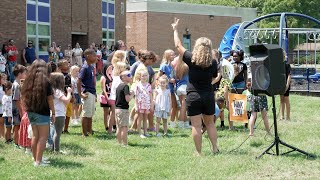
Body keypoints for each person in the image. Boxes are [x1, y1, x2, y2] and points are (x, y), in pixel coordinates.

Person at [172, 18, 218, 155]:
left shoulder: (191, 58)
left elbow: (178, 45)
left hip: (193, 95)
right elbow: (214, 77)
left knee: (196, 125)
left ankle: (199, 153)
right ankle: (215, 148)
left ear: (197, 47)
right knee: (210, 124)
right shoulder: (213, 63)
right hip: (208, 95)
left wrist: (175, 29)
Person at [21, 59, 55, 167]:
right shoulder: (46, 82)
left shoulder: (28, 81)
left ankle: (36, 159)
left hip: (31, 112)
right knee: (43, 137)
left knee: (35, 136)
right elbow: (50, 99)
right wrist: (53, 113)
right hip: (42, 112)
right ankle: (38, 162)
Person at [50, 72, 72, 153]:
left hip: (54, 113)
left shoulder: (52, 90)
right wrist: (69, 92)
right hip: (59, 114)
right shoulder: (58, 91)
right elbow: (66, 101)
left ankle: (53, 149)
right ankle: (57, 150)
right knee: (58, 133)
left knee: (55, 132)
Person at [77, 49, 97, 137]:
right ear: (88, 56)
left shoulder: (91, 67)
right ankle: (84, 133)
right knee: (85, 114)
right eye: (94, 55)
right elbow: (79, 81)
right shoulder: (84, 68)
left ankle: (89, 130)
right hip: (87, 92)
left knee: (90, 113)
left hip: (92, 92)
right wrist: (80, 93)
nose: (95, 57)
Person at [157, 49, 178, 128]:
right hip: (166, 89)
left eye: (174, 54)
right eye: (172, 55)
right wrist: (169, 80)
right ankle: (171, 123)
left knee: (173, 106)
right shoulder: (164, 65)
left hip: (172, 88)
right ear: (167, 56)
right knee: (173, 105)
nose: (174, 56)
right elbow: (159, 77)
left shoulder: (171, 65)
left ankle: (170, 122)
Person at [115, 71, 133, 146]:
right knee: (125, 127)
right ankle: (125, 144)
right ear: (123, 77)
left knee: (119, 127)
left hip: (117, 109)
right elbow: (127, 99)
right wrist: (132, 94)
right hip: (123, 110)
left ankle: (119, 143)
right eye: (128, 75)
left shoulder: (119, 86)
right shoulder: (126, 86)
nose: (130, 76)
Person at [172, 55, 190, 128]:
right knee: (183, 108)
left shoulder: (176, 67)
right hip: (185, 87)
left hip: (178, 88)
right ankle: (180, 124)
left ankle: (186, 124)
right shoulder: (186, 66)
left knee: (182, 107)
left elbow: (175, 78)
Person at [135, 70, 153, 138]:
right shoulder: (138, 85)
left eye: (146, 75)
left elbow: (151, 95)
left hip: (147, 104)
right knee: (140, 118)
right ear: (140, 77)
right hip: (140, 104)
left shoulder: (149, 85)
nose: (144, 77)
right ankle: (140, 133)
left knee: (146, 118)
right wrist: (136, 105)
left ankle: (145, 132)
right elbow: (136, 96)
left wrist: (151, 104)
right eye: (143, 76)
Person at [12, 64, 27, 148]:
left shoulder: (18, 84)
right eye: (25, 73)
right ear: (20, 74)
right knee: (17, 126)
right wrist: (21, 111)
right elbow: (16, 99)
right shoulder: (16, 85)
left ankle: (18, 142)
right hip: (17, 109)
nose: (26, 75)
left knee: (18, 126)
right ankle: (16, 143)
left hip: (18, 108)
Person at [57, 60, 72, 134]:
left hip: (68, 96)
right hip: (62, 97)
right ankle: (61, 128)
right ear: (60, 67)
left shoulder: (69, 75)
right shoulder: (59, 75)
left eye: (67, 63)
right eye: (65, 64)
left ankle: (66, 128)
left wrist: (73, 96)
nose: (68, 65)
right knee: (62, 113)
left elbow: (70, 85)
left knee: (68, 113)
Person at [100, 64, 113, 133]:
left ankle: (112, 124)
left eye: (111, 68)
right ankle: (106, 126)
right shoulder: (103, 77)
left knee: (112, 111)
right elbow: (103, 89)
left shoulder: (111, 76)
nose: (111, 69)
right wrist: (107, 98)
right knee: (106, 112)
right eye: (109, 68)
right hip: (106, 96)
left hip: (112, 95)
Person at [280, 54, 291, 121]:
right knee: (281, 100)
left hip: (286, 84)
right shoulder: (279, 66)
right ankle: (282, 116)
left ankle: (288, 117)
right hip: (280, 85)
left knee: (286, 99)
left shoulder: (287, 65)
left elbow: (289, 76)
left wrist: (287, 85)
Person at [0, 73, 6, 139]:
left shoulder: (4, 88)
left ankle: (3, 136)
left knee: (2, 123)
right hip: (1, 107)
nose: (5, 80)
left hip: (3, 108)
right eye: (3, 79)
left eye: (5, 79)